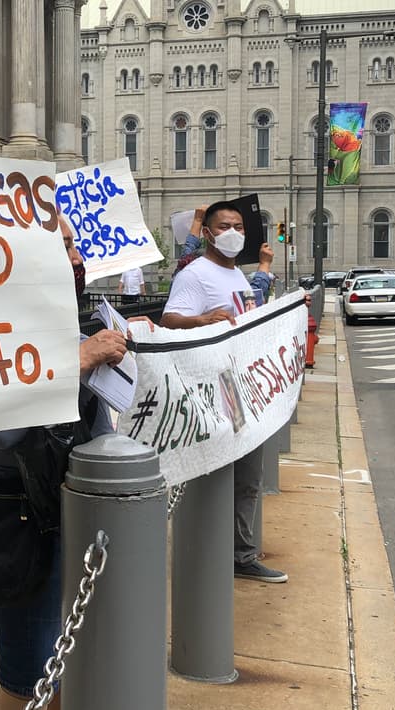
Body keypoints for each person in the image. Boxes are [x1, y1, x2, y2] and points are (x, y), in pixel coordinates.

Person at [0, 217, 126, 710]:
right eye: (63, 246)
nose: (78, 258)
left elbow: (98, 425)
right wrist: (78, 360)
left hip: (71, 508)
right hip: (17, 516)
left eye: (76, 245)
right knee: (26, 673)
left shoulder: (73, 323)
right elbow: (3, 432)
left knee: (65, 656)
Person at [159, 201, 286, 584]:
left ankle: (241, 555)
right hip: (215, 389)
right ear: (209, 233)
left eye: (239, 226)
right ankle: (210, 552)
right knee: (214, 477)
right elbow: (168, 319)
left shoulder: (239, 277)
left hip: (243, 386)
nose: (233, 231)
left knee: (248, 477)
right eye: (224, 225)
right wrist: (202, 320)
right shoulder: (195, 275)